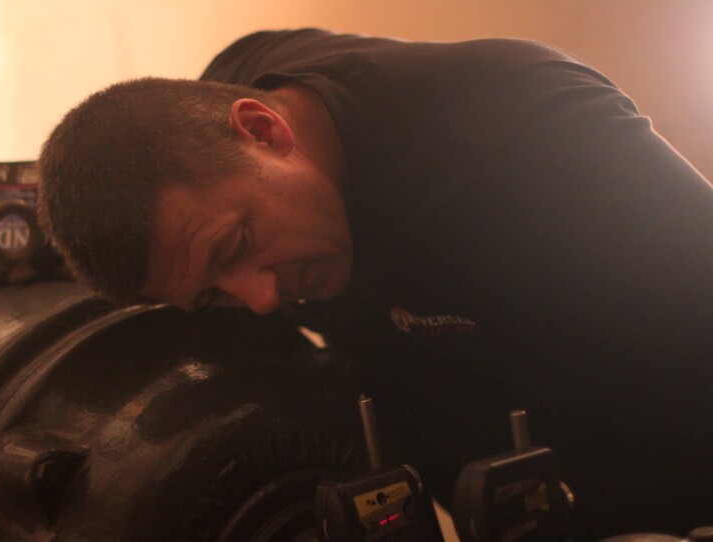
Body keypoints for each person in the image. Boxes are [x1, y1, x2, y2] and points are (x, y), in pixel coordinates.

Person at [37, 29, 713, 538]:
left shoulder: (532, 131)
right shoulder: (223, 105)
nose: (263, 300)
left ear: (266, 129)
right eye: (213, 292)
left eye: (238, 246)